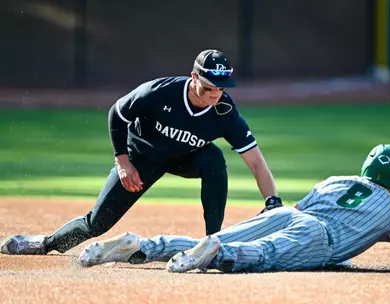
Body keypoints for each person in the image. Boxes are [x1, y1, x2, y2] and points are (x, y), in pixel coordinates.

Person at [1, 49, 284, 256]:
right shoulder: (159, 93)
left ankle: (212, 242)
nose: (215, 95)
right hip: (141, 158)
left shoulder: (225, 112)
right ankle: (45, 243)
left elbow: (256, 161)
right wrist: (123, 162)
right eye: (209, 87)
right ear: (194, 76)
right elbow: (117, 114)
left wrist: (272, 201)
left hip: (185, 158)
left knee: (214, 160)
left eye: (222, 89)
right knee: (97, 223)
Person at [77, 144, 390, 273]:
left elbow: (300, 210)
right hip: (316, 236)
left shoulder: (336, 179)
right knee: (266, 256)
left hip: (288, 213)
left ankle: (143, 245)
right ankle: (222, 255)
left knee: (212, 238)